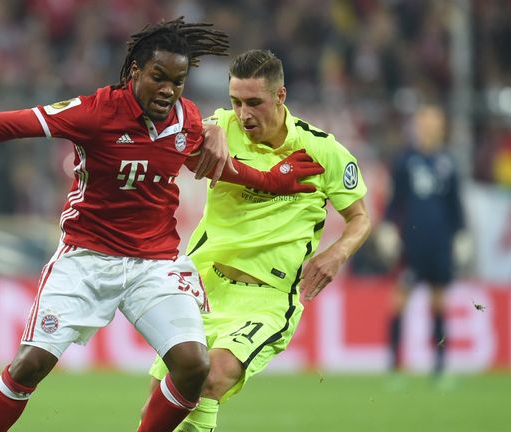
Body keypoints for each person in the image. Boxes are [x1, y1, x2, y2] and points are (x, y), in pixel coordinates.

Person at [0, 19, 323, 432]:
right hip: (86, 258)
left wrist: (269, 178)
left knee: (193, 364)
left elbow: (217, 166)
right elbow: (13, 124)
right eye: (158, 78)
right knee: (30, 364)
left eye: (178, 81)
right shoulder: (95, 113)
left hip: (155, 262)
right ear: (134, 73)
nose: (168, 90)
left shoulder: (187, 120)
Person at [141, 49, 371, 432]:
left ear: (280, 96)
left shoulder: (323, 150)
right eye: (235, 102)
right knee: (161, 399)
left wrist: (338, 253)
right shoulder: (219, 128)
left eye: (254, 103)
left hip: (265, 299)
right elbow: (175, 147)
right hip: (202, 285)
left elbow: (360, 218)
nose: (243, 114)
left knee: (210, 378)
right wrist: (205, 128)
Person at [380, 103, 466, 379]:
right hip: (412, 244)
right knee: (399, 300)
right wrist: (388, 228)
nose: (428, 128)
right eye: (424, 123)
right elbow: (395, 202)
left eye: (434, 123)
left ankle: (439, 367)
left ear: (441, 128)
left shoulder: (449, 163)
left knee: (439, 303)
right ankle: (394, 365)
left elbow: (455, 205)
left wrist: (462, 235)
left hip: (439, 243)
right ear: (417, 126)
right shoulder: (405, 161)